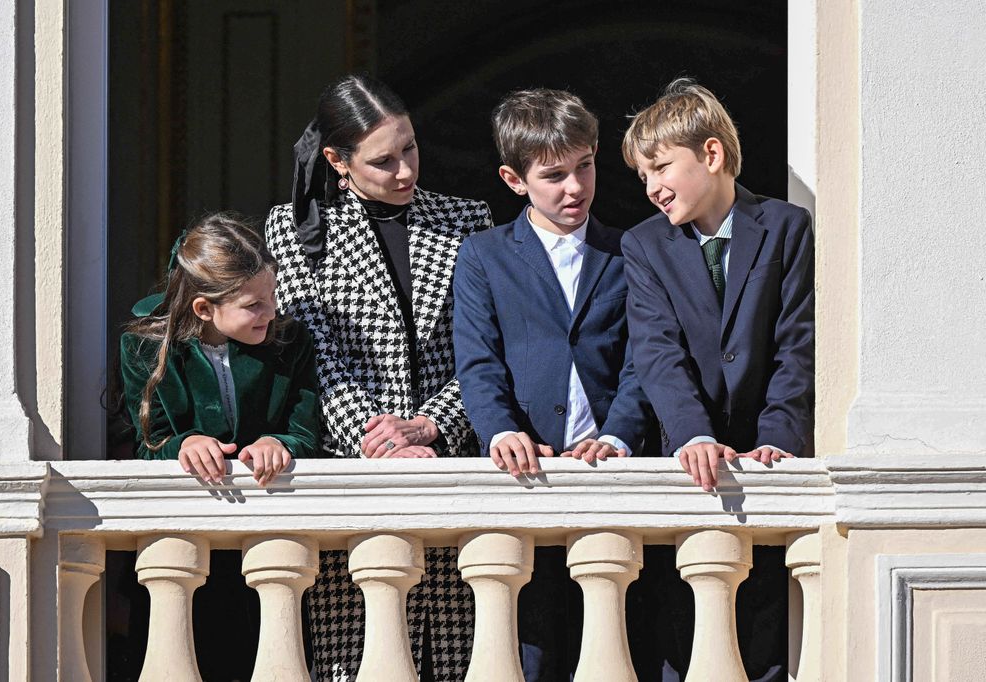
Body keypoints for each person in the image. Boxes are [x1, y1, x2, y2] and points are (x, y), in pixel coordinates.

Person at [265, 74, 492, 680]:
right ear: (338, 162)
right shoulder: (292, 230)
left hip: (450, 472)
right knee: (358, 659)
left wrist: (430, 427)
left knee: (457, 659)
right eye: (383, 160)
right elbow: (312, 356)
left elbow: (482, 352)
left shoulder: (466, 219)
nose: (404, 171)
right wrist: (376, 438)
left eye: (410, 149)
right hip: (352, 482)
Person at [453, 88, 653, 681]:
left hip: (611, 473)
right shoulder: (483, 255)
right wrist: (500, 431)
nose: (575, 188)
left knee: (615, 645)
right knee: (528, 648)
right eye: (554, 175)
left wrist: (618, 435)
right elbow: (479, 361)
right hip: (525, 476)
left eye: (585, 166)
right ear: (515, 181)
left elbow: (645, 360)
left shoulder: (630, 249)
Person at [621, 78, 814, 680]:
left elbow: (798, 344)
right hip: (690, 469)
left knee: (764, 641)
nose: (652, 188)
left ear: (710, 154)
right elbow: (657, 354)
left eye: (660, 168)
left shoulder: (787, 228)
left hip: (768, 463)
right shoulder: (644, 245)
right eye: (642, 176)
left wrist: (780, 434)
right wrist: (692, 436)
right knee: (687, 638)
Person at [121, 212, 321, 487]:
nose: (272, 311)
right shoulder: (146, 347)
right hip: (193, 501)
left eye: (273, 295)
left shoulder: (290, 341)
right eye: (253, 305)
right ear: (204, 308)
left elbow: (306, 433)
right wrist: (186, 444)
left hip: (274, 496)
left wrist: (278, 443)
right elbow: (149, 445)